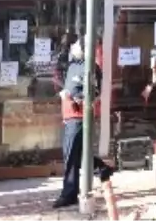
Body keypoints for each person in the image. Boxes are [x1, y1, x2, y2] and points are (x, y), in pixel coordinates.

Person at [53, 39, 114, 209]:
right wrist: (63, 92)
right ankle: (102, 168)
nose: (72, 48)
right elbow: (63, 82)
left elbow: (94, 92)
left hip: (79, 116)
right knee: (74, 154)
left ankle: (69, 193)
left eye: (75, 45)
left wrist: (77, 99)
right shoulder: (72, 65)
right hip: (68, 116)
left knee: (71, 156)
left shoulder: (91, 68)